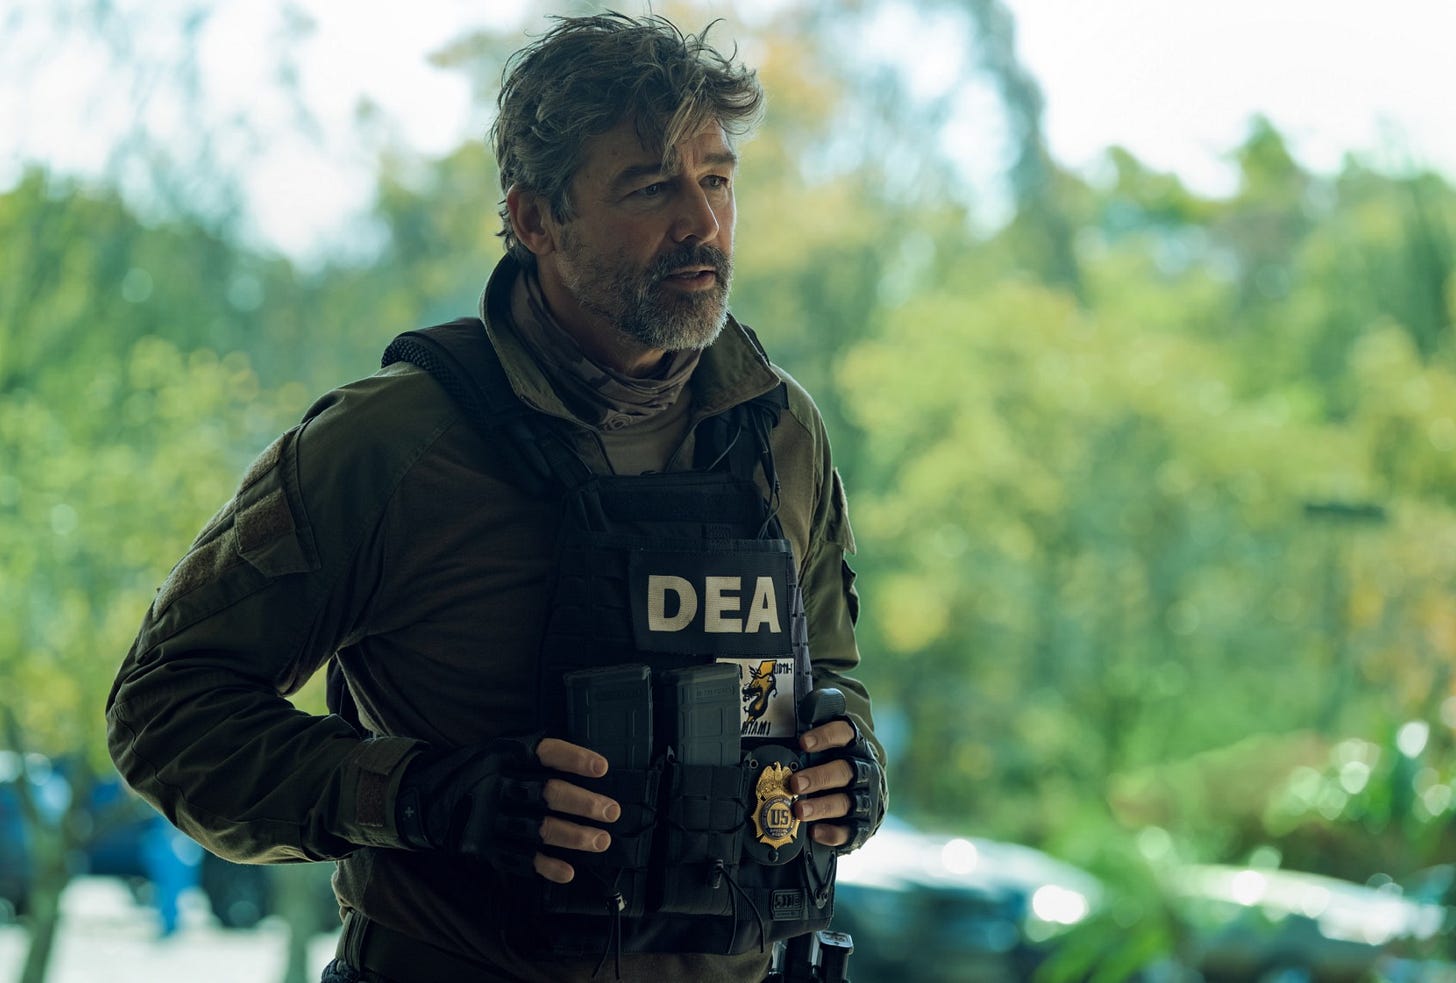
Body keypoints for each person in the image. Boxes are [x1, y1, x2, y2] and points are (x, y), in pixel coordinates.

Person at [106, 12, 885, 983]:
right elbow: (165, 712)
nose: (701, 222)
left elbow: (827, 673)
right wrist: (418, 794)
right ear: (535, 218)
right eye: (650, 187)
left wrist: (847, 761)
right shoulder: (391, 442)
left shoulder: (777, 429)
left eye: (717, 179)